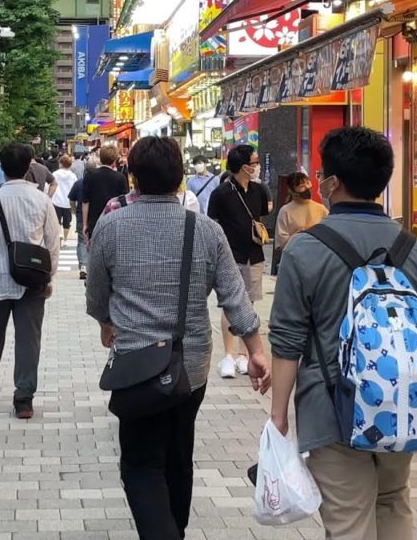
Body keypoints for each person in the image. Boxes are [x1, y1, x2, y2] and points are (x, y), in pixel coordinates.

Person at [269, 127, 417, 540]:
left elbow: (287, 342)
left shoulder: (305, 249)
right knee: (392, 502)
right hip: (401, 405)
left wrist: (278, 417)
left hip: (331, 408)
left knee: (349, 521)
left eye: (321, 174)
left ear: (332, 183)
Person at [85, 136, 271, 540]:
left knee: (140, 463)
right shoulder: (204, 229)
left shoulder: (111, 225)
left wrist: (105, 322)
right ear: (180, 177)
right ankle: (177, 529)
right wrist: (256, 351)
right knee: (178, 452)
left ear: (132, 177)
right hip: (191, 363)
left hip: (135, 362)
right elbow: (234, 298)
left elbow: (97, 291)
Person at [0, 143, 61, 419]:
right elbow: (52, 243)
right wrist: (49, 276)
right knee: (29, 339)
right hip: (31, 281)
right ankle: (24, 397)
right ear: (30, 164)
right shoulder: (42, 199)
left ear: (2, 167)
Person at [207, 144, 271, 378]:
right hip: (229, 256)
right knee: (230, 304)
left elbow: (262, 214)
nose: (256, 166)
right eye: (254, 162)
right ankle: (229, 355)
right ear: (244, 166)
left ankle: (245, 354)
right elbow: (212, 221)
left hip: (254, 254)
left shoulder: (259, 190)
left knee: (250, 304)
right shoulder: (221, 193)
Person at [82, 145, 128, 244]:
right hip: (114, 221)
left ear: (101, 158)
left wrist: (85, 224)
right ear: (115, 159)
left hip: (94, 221)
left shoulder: (90, 175)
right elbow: (124, 201)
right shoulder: (120, 177)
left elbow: (85, 201)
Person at [274, 172, 328, 251]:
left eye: (307, 183)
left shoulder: (322, 209)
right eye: (301, 186)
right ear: (292, 191)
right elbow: (281, 245)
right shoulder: (285, 211)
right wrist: (298, 234)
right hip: (294, 256)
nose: (307, 187)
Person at [51, 154, 78, 238]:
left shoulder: (55, 174)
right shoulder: (73, 176)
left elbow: (51, 185)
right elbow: (75, 189)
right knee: (67, 222)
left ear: (61, 164)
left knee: (56, 221)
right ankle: (65, 239)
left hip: (56, 201)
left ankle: (59, 236)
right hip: (68, 202)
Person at [68, 174, 88, 280]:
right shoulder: (99, 182)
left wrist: (74, 211)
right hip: (96, 215)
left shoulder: (78, 183)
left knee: (81, 241)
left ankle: (83, 266)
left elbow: (71, 200)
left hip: (81, 216)